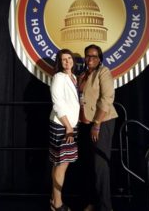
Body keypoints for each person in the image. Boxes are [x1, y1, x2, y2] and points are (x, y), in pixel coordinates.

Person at [78, 44, 118, 211]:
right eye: (87, 56)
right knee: (88, 165)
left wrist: (97, 124)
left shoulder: (104, 72)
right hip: (84, 124)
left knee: (100, 166)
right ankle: (92, 202)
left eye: (94, 56)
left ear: (100, 58)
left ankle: (106, 207)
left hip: (101, 122)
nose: (90, 59)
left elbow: (107, 98)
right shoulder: (82, 75)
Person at [49, 49, 80, 211]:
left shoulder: (74, 78)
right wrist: (68, 127)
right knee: (62, 164)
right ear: (59, 63)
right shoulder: (58, 77)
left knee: (58, 163)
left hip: (71, 125)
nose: (67, 62)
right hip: (62, 125)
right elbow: (58, 104)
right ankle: (58, 204)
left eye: (69, 58)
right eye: (63, 59)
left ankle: (54, 201)